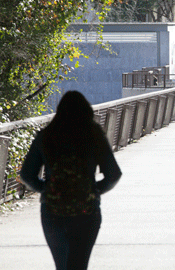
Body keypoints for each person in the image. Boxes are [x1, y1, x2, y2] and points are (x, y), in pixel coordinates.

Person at [20, 91, 122, 270]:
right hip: (86, 211)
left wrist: (46, 188)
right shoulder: (94, 135)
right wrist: (94, 190)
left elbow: (27, 174)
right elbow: (113, 174)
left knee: (62, 264)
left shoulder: (47, 135)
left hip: (52, 211)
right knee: (79, 265)